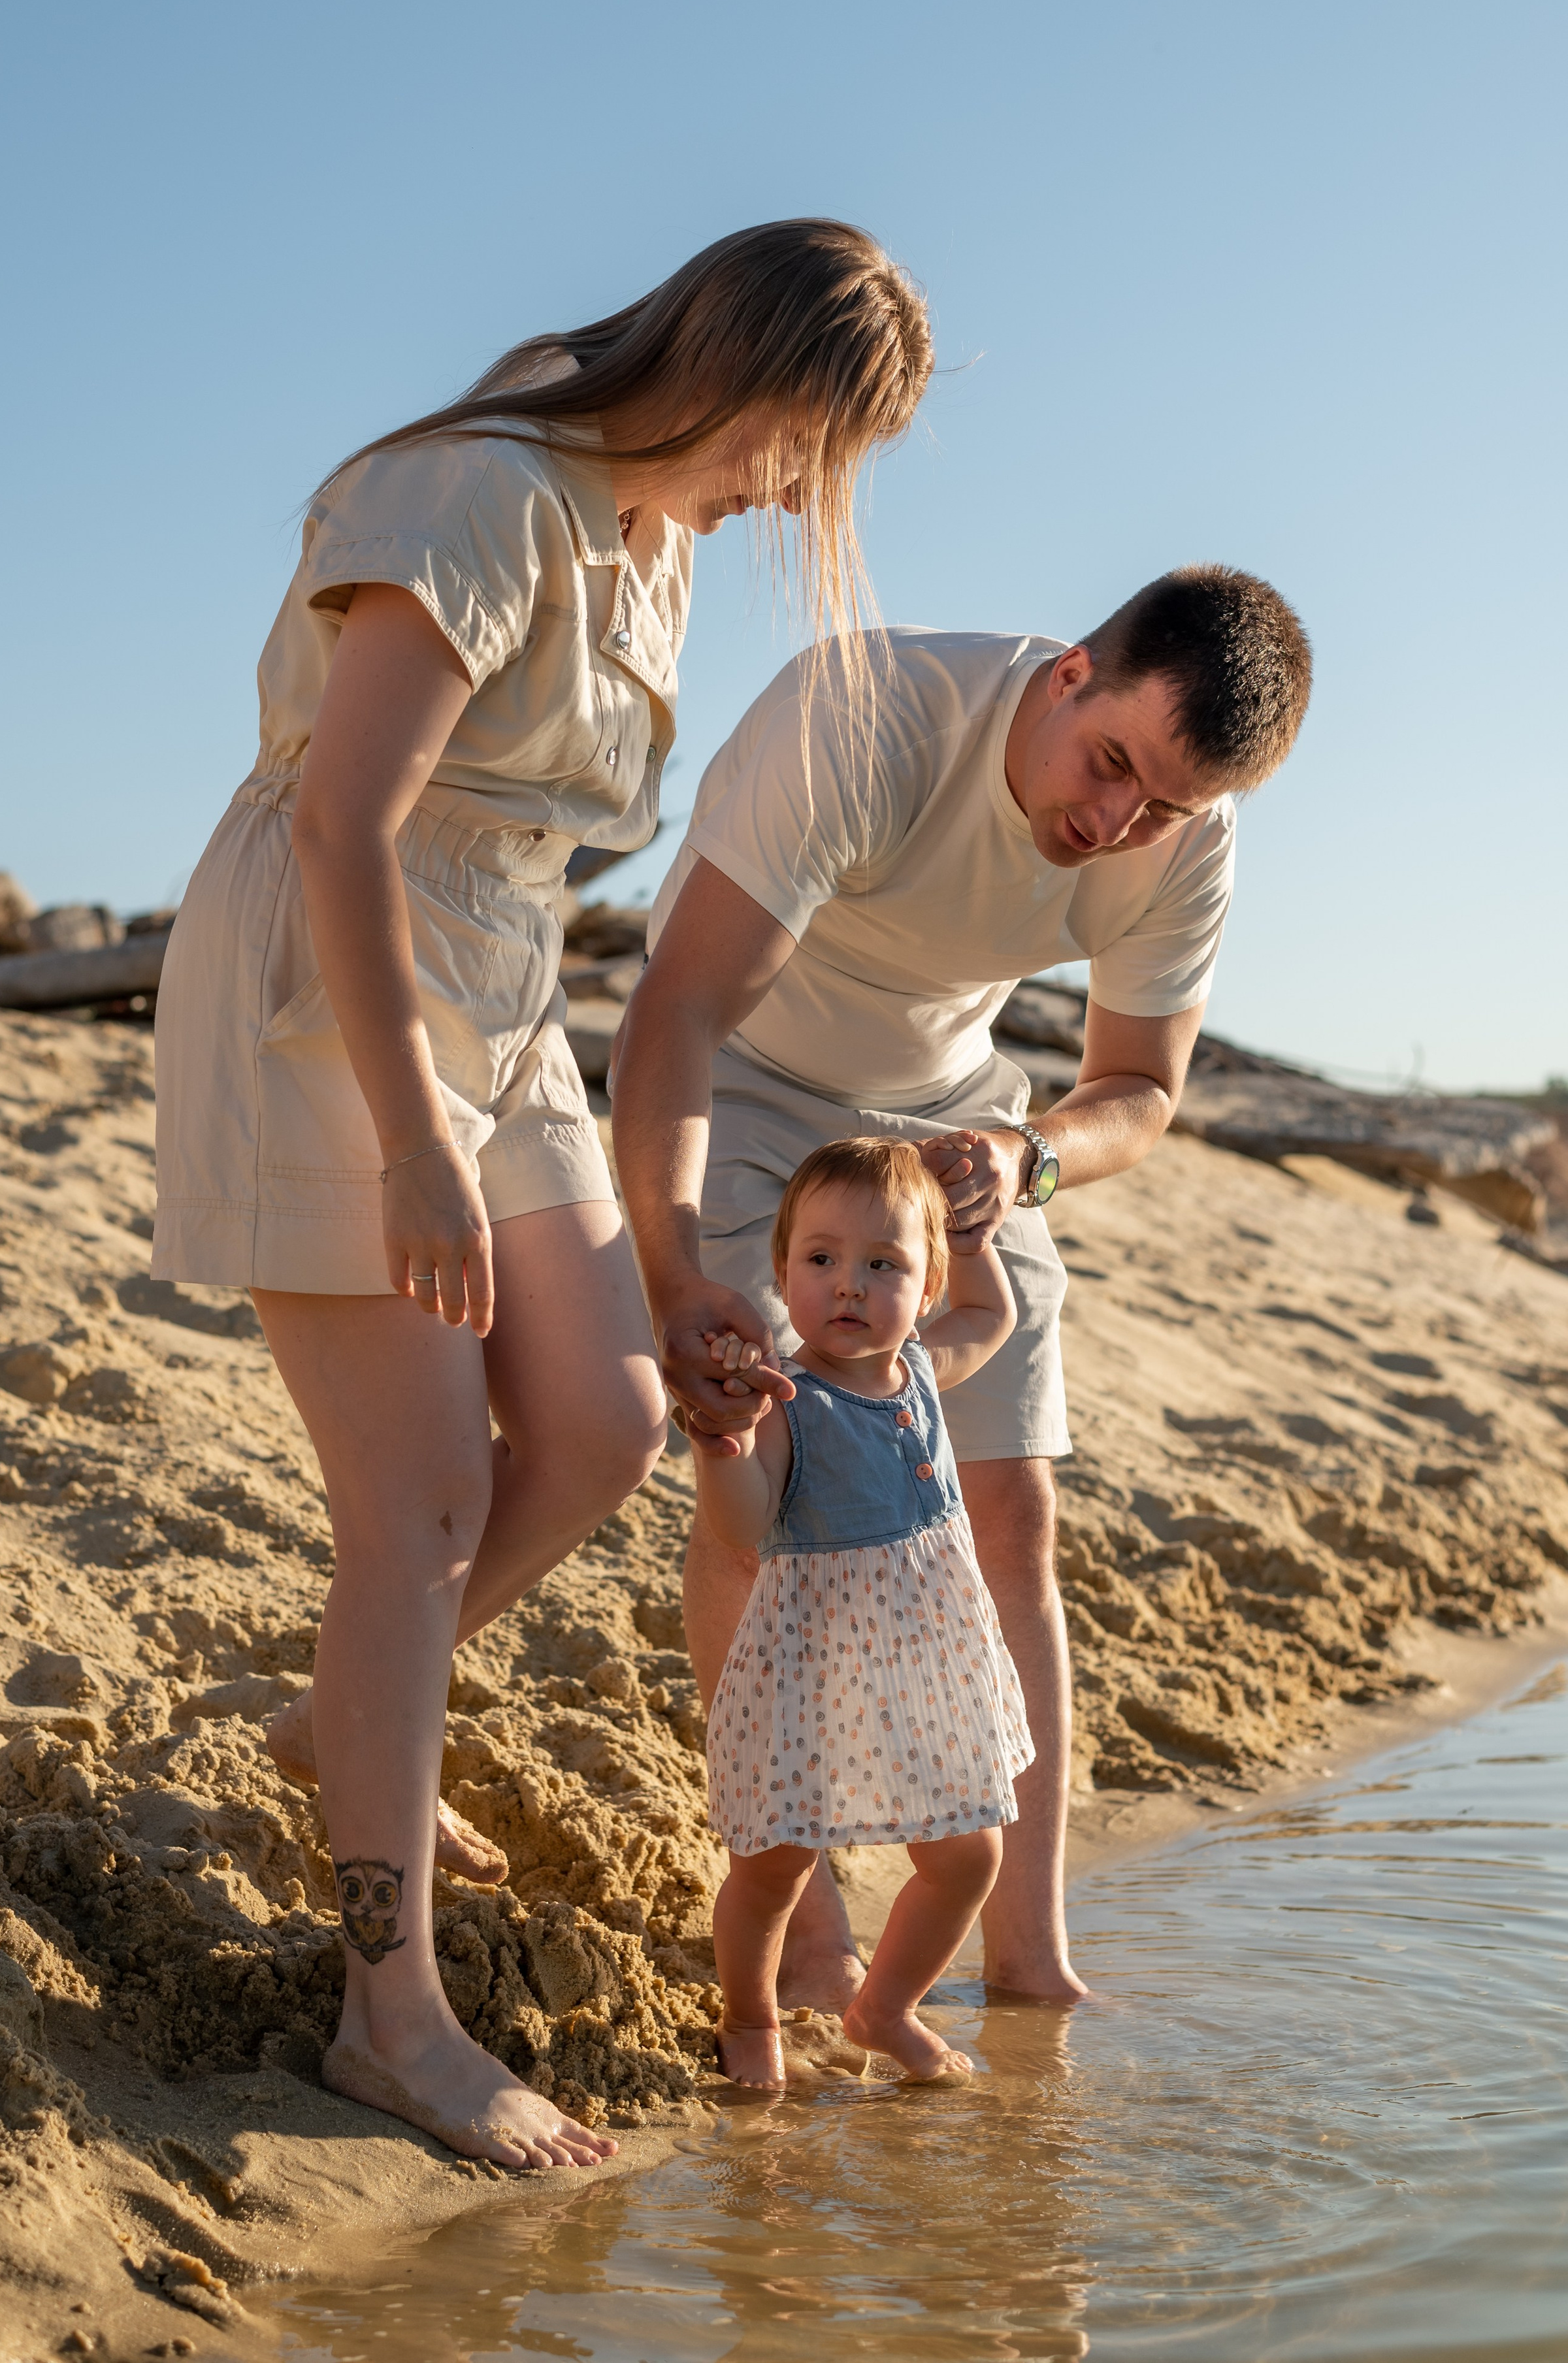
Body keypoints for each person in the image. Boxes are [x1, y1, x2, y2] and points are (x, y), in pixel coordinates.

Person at [150, 220, 934, 2168]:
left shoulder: (651, 543)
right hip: (337, 968)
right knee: (417, 1509)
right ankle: (389, 2017)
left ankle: (346, 1721)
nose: (794, 498)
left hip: (501, 981)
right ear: (737, 370)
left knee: (604, 1417)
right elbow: (345, 823)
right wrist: (414, 1137)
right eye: (803, 449)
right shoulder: (490, 491)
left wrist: (658, 1255)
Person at [613, 565, 1312, 2010]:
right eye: (1108, 764)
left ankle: (1027, 1955)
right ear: (1068, 675)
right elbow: (677, 1007)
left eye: (1162, 808)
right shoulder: (871, 716)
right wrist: (672, 1269)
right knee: (765, 1490)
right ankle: (807, 1941)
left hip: (950, 1115)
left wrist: (1026, 1155)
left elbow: (1138, 1088)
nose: (1114, 823)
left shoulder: (1185, 832)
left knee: (1011, 1507)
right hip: (744, 1071)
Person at [694, 1137, 1033, 2088]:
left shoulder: (920, 1366)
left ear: (925, 1290)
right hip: (815, 1668)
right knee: (777, 1863)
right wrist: (724, 1441)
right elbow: (744, 1526)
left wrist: (970, 1236)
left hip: (926, 1667)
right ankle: (749, 2014)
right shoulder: (783, 1398)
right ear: (782, 1272)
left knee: (969, 1854)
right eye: (822, 1258)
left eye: (884, 1264)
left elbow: (994, 1313)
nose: (849, 1283)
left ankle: (884, 2008)